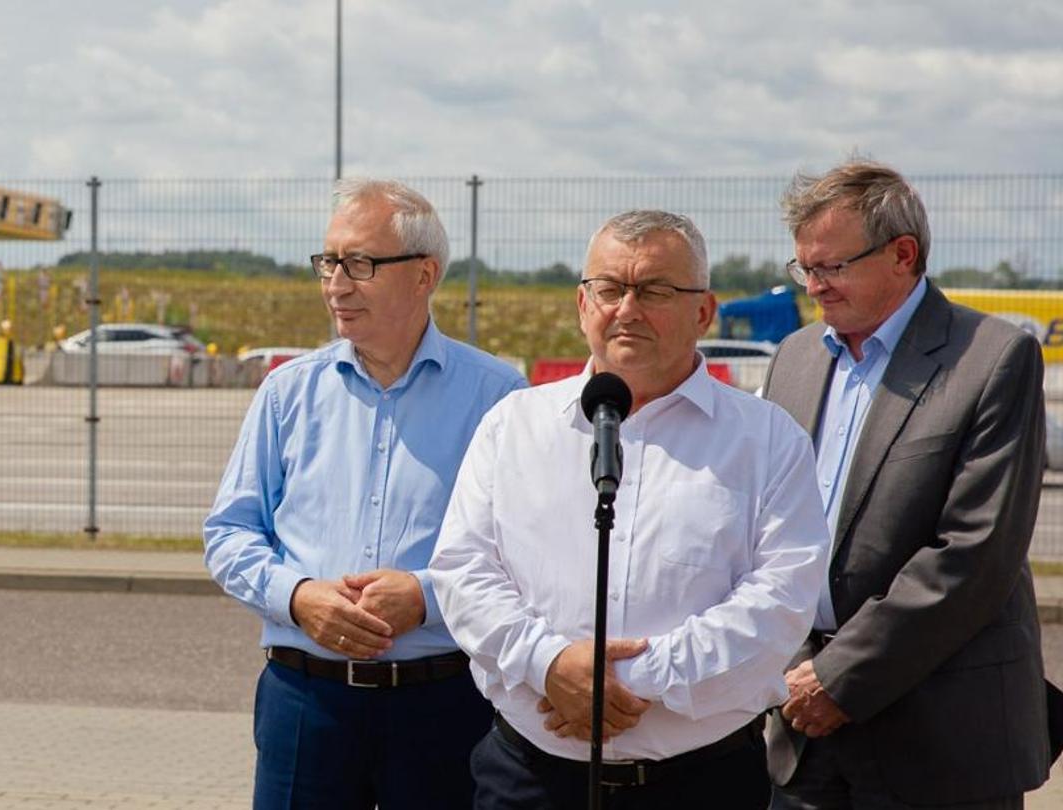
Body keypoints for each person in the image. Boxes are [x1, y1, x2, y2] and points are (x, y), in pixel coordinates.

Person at [429, 210, 831, 809]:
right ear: (581, 304)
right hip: (530, 780)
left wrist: (617, 684)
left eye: (655, 290)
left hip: (700, 784)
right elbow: (464, 571)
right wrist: (548, 664)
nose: (627, 308)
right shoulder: (513, 426)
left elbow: (779, 604)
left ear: (704, 310)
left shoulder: (767, 440)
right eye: (610, 289)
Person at [204, 178, 527, 808]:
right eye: (328, 262)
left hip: (445, 703)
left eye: (360, 264)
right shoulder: (287, 392)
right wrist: (299, 598)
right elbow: (229, 532)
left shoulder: (498, 398)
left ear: (424, 274)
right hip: (306, 701)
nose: (336, 284)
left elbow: (527, 553)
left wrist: (428, 596)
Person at [761, 160, 1050, 809]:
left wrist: (838, 677)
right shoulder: (796, 359)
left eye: (831, 267)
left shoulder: (991, 359)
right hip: (801, 734)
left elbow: (974, 554)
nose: (814, 287)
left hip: (939, 737)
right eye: (803, 268)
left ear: (902, 254)